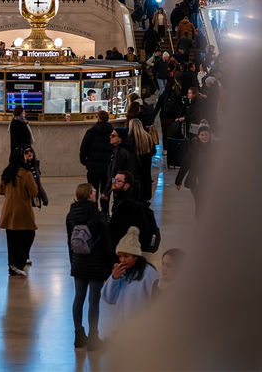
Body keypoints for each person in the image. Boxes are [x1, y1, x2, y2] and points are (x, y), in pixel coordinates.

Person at [66, 182, 112, 351]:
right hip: (96, 262)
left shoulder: (70, 215)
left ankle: (78, 335)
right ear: (89, 195)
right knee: (94, 301)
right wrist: (111, 264)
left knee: (78, 298)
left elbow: (69, 241)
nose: (95, 192)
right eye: (93, 191)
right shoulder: (98, 216)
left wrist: (73, 262)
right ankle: (93, 338)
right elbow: (107, 244)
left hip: (79, 261)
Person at [101, 227, 159, 318]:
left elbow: (158, 300)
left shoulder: (149, 273)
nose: (122, 260)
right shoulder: (121, 272)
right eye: (120, 256)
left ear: (136, 256)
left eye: (126, 256)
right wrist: (114, 278)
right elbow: (109, 299)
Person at [0, 147, 38, 277]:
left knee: (12, 240)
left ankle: (12, 266)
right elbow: (34, 192)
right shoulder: (26, 174)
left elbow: (1, 190)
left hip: (8, 209)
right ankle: (18, 263)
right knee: (29, 235)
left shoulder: (6, 172)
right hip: (22, 210)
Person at [175, 123, 213, 217]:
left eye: (206, 134)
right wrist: (178, 180)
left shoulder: (214, 148)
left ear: (210, 135)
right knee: (200, 203)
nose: (204, 137)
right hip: (196, 181)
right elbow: (186, 164)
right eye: (202, 135)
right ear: (198, 136)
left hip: (210, 180)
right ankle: (200, 223)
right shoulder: (195, 148)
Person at [79, 110, 113, 211]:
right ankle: (105, 213)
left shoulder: (91, 132)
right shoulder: (113, 132)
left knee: (92, 191)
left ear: (98, 118)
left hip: (93, 167)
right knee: (105, 191)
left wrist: (85, 162)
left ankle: (93, 212)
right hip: (107, 168)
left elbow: (83, 149)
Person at [153, 77, 183, 151]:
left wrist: (152, 119)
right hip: (173, 118)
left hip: (163, 118)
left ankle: (165, 149)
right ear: (172, 86)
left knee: (164, 133)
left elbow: (157, 107)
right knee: (172, 133)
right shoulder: (175, 95)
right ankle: (172, 148)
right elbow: (181, 106)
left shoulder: (163, 95)